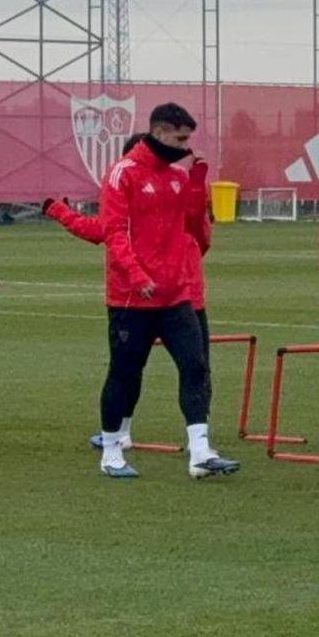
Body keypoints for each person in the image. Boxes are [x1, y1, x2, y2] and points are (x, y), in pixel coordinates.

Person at [45, 133, 218, 452]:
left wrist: (59, 212)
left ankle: (191, 441)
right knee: (186, 366)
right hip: (178, 293)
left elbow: (100, 231)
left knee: (144, 367)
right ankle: (192, 439)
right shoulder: (168, 189)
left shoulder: (171, 189)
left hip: (169, 296)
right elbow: (202, 234)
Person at [94, 103, 237, 480]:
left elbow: (192, 224)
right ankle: (111, 450)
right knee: (124, 373)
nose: (186, 145)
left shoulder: (176, 175)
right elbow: (113, 233)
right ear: (159, 133)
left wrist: (197, 179)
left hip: (175, 295)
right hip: (131, 297)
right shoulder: (122, 174)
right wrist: (137, 276)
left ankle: (201, 453)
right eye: (181, 138)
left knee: (195, 366)